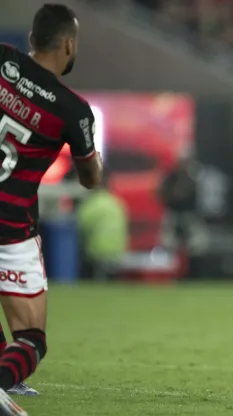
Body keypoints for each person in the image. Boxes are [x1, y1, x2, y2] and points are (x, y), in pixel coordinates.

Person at [0, 4, 102, 414]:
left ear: (30, 40)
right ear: (69, 44)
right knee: (30, 340)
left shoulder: (4, 61)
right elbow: (90, 178)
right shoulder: (72, 110)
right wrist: (93, 155)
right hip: (11, 227)